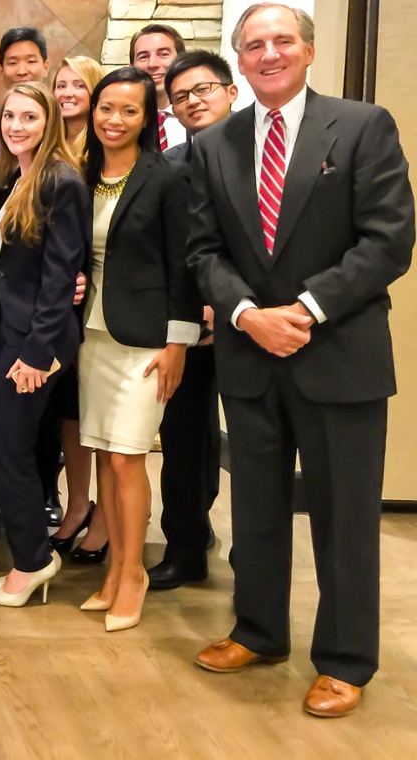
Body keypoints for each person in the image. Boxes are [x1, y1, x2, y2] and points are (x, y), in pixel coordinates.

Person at [188, 3, 415, 718]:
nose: (269, 53)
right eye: (254, 45)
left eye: (282, 40)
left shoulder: (362, 126)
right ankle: (257, 630)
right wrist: (250, 315)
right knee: (254, 507)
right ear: (240, 62)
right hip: (250, 353)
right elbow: (202, 252)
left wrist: (306, 310)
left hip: (338, 353)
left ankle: (345, 660)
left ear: (308, 51)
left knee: (344, 516)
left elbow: (388, 240)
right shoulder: (213, 143)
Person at [76, 66, 201, 633]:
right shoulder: (81, 171)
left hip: (146, 341)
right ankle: (112, 569)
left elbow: (185, 265)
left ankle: (134, 573)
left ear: (148, 117)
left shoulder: (166, 177)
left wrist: (180, 343)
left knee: (128, 456)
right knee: (104, 453)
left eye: (129, 110)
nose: (114, 119)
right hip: (92, 335)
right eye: (106, 108)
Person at [0, 82, 88, 608]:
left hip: (36, 342)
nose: (17, 126)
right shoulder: (17, 176)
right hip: (11, 332)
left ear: (48, 123)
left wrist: (39, 353)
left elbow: (61, 276)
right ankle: (29, 555)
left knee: (11, 448)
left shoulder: (60, 181)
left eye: (30, 117)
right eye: (10, 118)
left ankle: (33, 561)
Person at [150, 50, 237, 590]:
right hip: (189, 327)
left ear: (232, 91)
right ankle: (185, 548)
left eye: (204, 89)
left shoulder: (265, 154)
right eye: (181, 96)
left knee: (252, 448)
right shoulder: (169, 166)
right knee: (181, 439)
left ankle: (253, 564)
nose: (193, 101)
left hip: (257, 326)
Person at [48, 55, 110, 563]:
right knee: (70, 413)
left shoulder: (102, 147)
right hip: (58, 299)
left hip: (99, 299)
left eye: (77, 84)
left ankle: (108, 517)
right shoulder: (48, 144)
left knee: (98, 413)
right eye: (60, 84)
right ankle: (77, 505)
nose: (67, 91)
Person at [129, 24, 187, 150]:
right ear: (131, 67)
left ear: (181, 61)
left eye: (163, 54)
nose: (152, 64)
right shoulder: (123, 121)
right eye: (143, 57)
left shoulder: (198, 115)